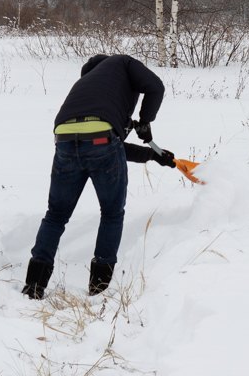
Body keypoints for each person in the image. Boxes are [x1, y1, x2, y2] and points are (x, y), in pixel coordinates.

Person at [22, 52, 176, 300]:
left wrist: (151, 155)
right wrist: (145, 122)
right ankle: (99, 290)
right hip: (102, 139)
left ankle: (33, 287)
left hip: (64, 140)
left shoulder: (88, 87)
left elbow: (102, 145)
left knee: (56, 215)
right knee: (112, 214)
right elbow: (155, 87)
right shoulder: (123, 62)